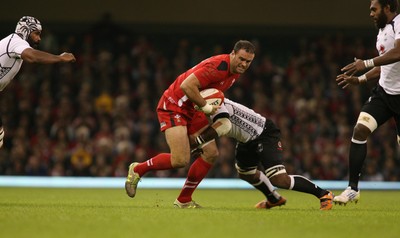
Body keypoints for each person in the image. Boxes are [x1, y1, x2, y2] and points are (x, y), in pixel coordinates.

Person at [125, 40, 256, 200]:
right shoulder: (218, 66)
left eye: (248, 61)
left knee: (211, 153)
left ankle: (184, 200)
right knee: (180, 160)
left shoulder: (234, 71)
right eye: (241, 59)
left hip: (193, 108)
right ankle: (138, 169)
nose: (243, 64)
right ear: (233, 53)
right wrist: (206, 107)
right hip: (175, 105)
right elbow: (187, 86)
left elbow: (208, 93)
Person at [175, 98, 334, 210]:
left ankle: (324, 194)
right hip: (246, 140)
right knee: (245, 173)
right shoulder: (203, 103)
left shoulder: (214, 102)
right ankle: (274, 199)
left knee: (280, 179)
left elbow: (223, 124)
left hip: (264, 134)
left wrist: (199, 141)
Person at [334, 0, 400, 205]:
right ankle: (352, 188)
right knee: (360, 130)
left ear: (387, 8)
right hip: (383, 94)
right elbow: (385, 66)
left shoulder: (399, 23)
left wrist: (365, 63)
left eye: (374, 9)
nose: (370, 13)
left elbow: (398, 53)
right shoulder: (382, 31)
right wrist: (360, 79)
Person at [0, 16, 76, 148]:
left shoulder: (12, 43)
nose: (39, 39)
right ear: (25, 30)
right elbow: (33, 56)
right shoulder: (16, 42)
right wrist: (60, 58)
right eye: (36, 33)